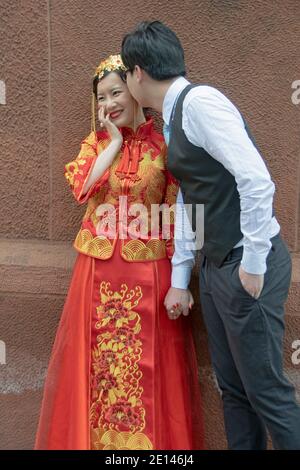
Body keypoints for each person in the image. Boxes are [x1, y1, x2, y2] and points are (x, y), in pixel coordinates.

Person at [121, 21, 300, 450]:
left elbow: (257, 180)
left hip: (246, 265)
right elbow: (189, 199)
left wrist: (254, 264)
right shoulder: (172, 117)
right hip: (218, 266)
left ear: (139, 73)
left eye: (126, 76)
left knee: (267, 394)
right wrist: (183, 279)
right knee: (234, 392)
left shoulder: (201, 103)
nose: (127, 84)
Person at [34, 54, 204, 450]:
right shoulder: (94, 144)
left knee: (150, 372)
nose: (108, 104)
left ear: (135, 91)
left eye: (115, 92)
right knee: (98, 371)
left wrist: (181, 279)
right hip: (95, 274)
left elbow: (181, 215)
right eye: (100, 98)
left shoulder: (165, 146)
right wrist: (111, 144)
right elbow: (83, 190)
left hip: (151, 275)